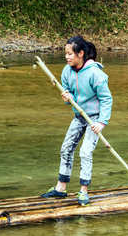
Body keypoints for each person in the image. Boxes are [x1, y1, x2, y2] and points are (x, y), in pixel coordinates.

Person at [39, 35, 112, 206]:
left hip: (94, 118)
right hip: (79, 116)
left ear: (80, 54)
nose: (67, 57)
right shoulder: (67, 71)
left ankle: (83, 191)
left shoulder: (96, 73)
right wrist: (67, 97)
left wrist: (102, 122)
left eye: (70, 54)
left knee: (85, 152)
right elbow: (68, 94)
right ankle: (60, 188)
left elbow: (106, 99)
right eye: (65, 53)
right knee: (66, 149)